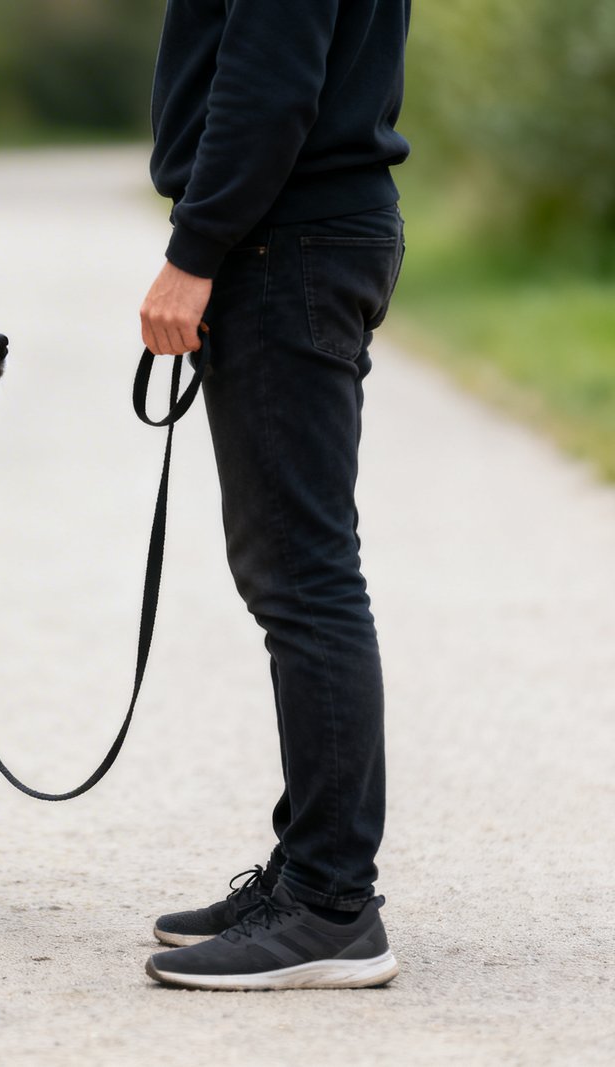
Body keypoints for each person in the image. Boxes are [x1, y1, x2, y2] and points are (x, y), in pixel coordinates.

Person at [138, 0, 410, 991]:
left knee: (305, 577)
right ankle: (309, 871)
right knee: (298, 573)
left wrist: (194, 251)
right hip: (306, 231)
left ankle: (331, 905)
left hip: (282, 240)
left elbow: (271, 79)